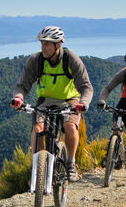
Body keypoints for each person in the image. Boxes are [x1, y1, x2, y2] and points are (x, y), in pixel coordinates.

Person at [10, 26, 94, 182]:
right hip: (45, 100)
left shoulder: (70, 58)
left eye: (48, 44)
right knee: (37, 130)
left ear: (58, 44)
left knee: (69, 127)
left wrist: (83, 103)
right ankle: (38, 168)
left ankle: (70, 163)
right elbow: (22, 84)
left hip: (70, 100)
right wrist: (18, 98)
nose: (44, 48)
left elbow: (86, 86)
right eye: (42, 43)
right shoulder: (37, 60)